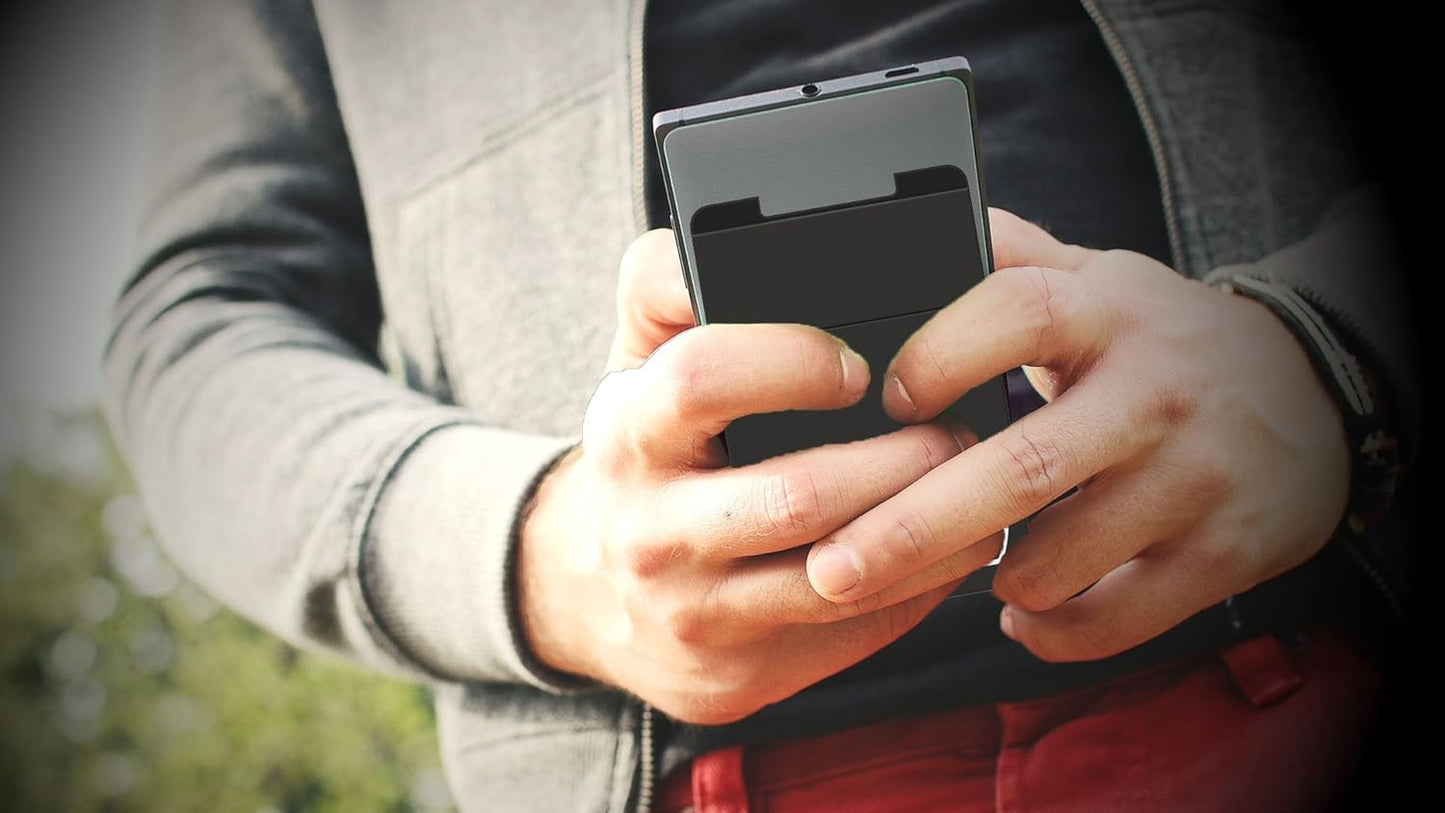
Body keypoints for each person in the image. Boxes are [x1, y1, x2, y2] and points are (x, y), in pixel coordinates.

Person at [106, 0, 1417, 809]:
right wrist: (543, 555)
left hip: (1301, 658)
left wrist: (1330, 353)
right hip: (665, 771)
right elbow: (199, 322)